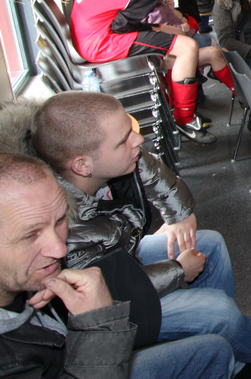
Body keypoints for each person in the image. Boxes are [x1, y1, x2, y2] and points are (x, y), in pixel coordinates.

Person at [27, 93, 251, 375]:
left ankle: (231, 336)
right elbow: (112, 292)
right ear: (82, 166)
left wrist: (179, 213)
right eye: (123, 140)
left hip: (124, 261)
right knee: (215, 310)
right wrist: (178, 270)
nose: (138, 139)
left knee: (211, 244)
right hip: (112, 306)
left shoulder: (107, 164)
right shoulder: (64, 229)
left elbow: (149, 167)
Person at [0, 152, 236, 379]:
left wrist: (178, 212)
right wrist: (98, 325)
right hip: (97, 350)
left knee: (216, 350)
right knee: (217, 322)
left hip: (91, 343)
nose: (60, 249)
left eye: (60, 220)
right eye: (29, 235)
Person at [70, 0, 231, 145]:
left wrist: (159, 30)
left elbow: (119, 19)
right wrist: (157, 30)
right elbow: (119, 26)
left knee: (175, 38)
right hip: (100, 42)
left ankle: (179, 105)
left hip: (84, 34)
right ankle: (185, 120)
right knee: (187, 47)